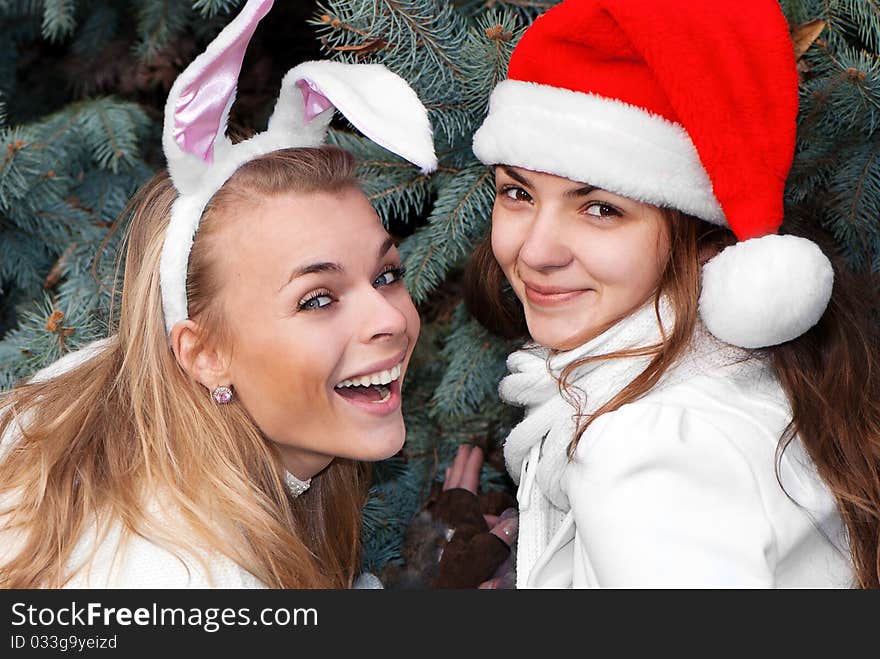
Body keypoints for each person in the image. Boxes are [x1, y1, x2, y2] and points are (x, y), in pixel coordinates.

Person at [0, 0, 436, 588]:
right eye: (318, 298)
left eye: (385, 276)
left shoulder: (116, 406)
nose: (388, 319)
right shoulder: (183, 579)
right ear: (203, 354)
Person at [460, 0, 880, 588]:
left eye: (601, 209)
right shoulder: (727, 378)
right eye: (518, 194)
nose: (535, 251)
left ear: (701, 242)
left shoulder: (649, 445)